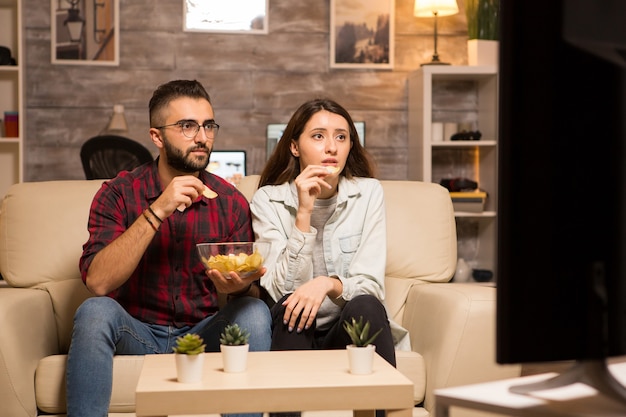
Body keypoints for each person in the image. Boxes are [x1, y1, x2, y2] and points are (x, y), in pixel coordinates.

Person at [67, 79, 271, 417]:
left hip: (201, 333)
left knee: (255, 313)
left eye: (208, 126)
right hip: (137, 331)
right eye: (187, 126)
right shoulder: (118, 193)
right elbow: (99, 283)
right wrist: (158, 209)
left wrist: (238, 286)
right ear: (157, 136)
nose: (202, 137)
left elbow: (245, 292)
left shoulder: (230, 202)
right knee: (94, 311)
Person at [250, 98, 408, 417]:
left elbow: (371, 286)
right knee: (290, 308)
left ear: (351, 145)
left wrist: (327, 284)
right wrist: (304, 213)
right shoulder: (267, 199)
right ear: (295, 146)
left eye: (341, 136)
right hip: (293, 330)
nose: (331, 147)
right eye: (318, 136)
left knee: (366, 304)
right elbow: (281, 289)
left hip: (345, 330)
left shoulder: (369, 193)